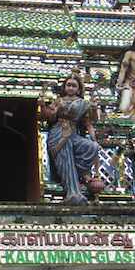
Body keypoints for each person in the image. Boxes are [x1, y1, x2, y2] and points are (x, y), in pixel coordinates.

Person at [40, 71, 99, 205]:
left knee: (92, 147)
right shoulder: (59, 101)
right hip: (58, 133)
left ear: (79, 89)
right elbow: (49, 117)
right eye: (68, 85)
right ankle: (72, 192)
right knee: (65, 159)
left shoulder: (83, 103)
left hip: (73, 134)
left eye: (74, 86)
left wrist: (94, 137)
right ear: (64, 87)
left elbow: (90, 122)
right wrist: (43, 105)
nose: (71, 88)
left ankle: (81, 173)